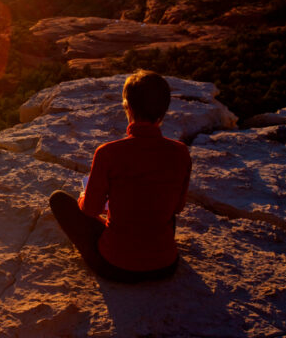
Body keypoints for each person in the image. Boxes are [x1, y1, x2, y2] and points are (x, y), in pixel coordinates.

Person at [49, 70, 191, 283]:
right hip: (166, 266)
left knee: (59, 200)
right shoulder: (180, 152)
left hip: (115, 265)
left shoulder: (108, 153)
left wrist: (83, 197)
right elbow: (177, 208)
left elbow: (90, 210)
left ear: (128, 107)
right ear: (164, 110)